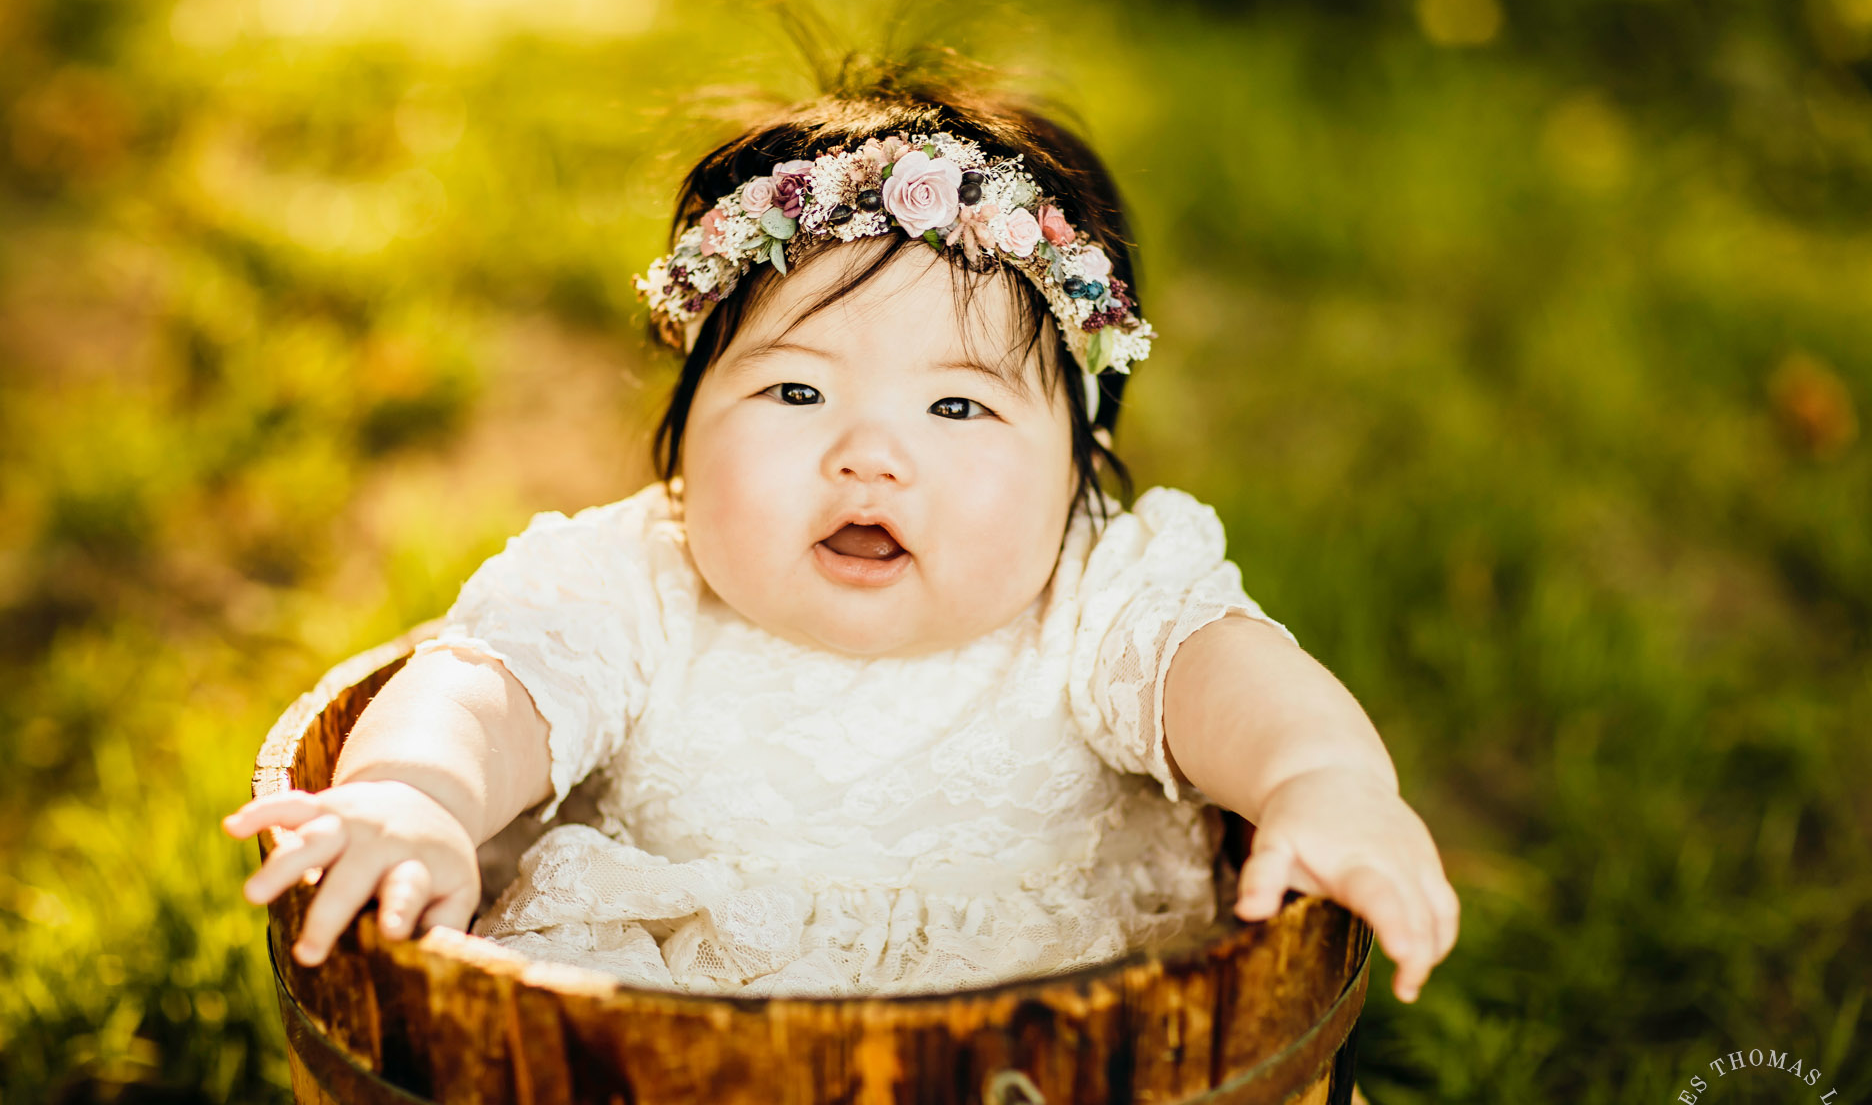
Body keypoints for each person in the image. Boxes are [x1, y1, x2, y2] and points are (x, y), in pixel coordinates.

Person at [223, 69, 1459, 1001]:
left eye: (958, 405)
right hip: (666, 1074)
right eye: (795, 392)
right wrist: (414, 791)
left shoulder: (1095, 593)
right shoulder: (639, 582)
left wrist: (1322, 783)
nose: (869, 453)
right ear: (685, 425)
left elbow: (1235, 675)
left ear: (1077, 466)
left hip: (1042, 1083)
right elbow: (482, 686)